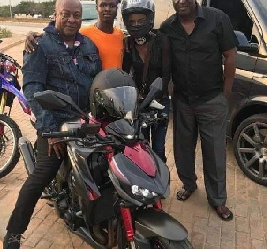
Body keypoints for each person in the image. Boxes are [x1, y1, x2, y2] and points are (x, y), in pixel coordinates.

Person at [3, 0, 102, 247]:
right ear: (55, 14)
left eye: (76, 15)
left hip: (84, 121)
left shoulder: (88, 44)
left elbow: (98, 82)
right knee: (40, 177)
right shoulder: (40, 45)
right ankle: (14, 233)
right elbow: (34, 89)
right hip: (55, 123)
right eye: (65, 14)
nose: (71, 19)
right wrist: (51, 131)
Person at [159, 0, 237, 220]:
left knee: (214, 153)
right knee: (182, 148)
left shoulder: (217, 19)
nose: (181, 1)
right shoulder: (167, 27)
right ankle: (189, 184)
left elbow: (230, 55)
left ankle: (218, 200)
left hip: (212, 100)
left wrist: (225, 95)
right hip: (182, 101)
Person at [121, 0, 171, 162]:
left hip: (159, 101)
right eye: (132, 21)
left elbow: (167, 74)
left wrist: (158, 93)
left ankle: (161, 181)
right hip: (138, 103)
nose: (136, 25)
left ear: (149, 19)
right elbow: (124, 73)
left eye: (140, 20)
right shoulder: (128, 44)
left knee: (158, 147)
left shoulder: (162, 42)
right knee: (141, 145)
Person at [25, 0, 124, 70]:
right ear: (96, 8)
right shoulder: (84, 33)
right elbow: (58, 35)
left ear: (117, 8)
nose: (107, 9)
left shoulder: (120, 35)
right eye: (103, 5)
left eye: (112, 5)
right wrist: (33, 37)